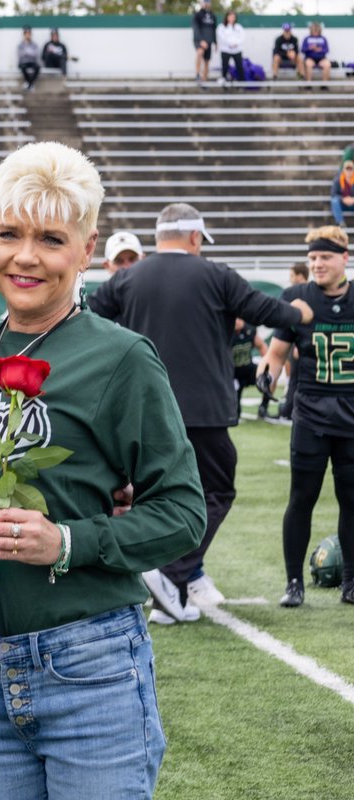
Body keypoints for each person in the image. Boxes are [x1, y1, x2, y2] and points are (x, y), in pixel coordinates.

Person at [0, 140, 205, 800]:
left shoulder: (121, 358)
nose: (26, 257)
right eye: (10, 233)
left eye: (52, 239)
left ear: (86, 251)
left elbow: (183, 510)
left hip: (86, 663)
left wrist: (69, 541)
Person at [88, 203, 313, 623]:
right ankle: (170, 572)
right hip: (203, 410)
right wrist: (302, 310)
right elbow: (269, 313)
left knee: (150, 495)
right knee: (216, 490)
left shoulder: (128, 278)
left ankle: (167, 591)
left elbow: (86, 320)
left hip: (143, 408)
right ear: (195, 237)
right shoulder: (215, 274)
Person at [259, 227, 354, 608]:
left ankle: (350, 581)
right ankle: (294, 582)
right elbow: (278, 352)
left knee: (351, 500)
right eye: (312, 258)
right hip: (312, 414)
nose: (316, 264)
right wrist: (267, 372)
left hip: (351, 416)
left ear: (344, 258)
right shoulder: (297, 297)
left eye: (324, 257)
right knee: (302, 498)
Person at [276, 262, 311, 422]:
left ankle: (289, 410)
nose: (290, 279)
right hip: (303, 343)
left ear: (299, 275)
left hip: (301, 343)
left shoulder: (301, 293)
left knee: (296, 381)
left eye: (292, 275)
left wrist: (298, 344)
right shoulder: (310, 292)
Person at [231, 319, 268, 419]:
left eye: (240, 318)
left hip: (248, 370)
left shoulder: (249, 329)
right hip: (232, 374)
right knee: (235, 413)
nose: (238, 321)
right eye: (235, 318)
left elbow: (262, 346)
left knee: (267, 377)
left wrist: (267, 365)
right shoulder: (226, 332)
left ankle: (263, 407)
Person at [192, 0, 218, 85]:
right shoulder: (198, 15)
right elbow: (196, 28)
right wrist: (201, 40)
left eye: (208, 2)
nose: (207, 4)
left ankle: (204, 80)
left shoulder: (212, 16)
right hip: (200, 40)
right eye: (205, 2)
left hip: (209, 40)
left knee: (207, 61)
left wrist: (215, 42)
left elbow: (214, 29)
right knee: (200, 52)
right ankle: (197, 74)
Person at [217, 10, 245, 85]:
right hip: (225, 50)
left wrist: (236, 43)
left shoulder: (238, 27)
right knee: (225, 66)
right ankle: (224, 82)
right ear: (226, 17)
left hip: (237, 50)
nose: (232, 18)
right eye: (230, 16)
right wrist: (229, 44)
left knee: (239, 66)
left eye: (233, 17)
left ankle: (241, 82)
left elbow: (242, 37)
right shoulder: (221, 27)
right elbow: (221, 37)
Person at [331, 160, 354, 226]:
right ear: (343, 170)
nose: (349, 171)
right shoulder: (338, 179)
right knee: (335, 201)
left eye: (350, 169)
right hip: (342, 204)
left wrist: (352, 199)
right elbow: (333, 193)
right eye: (347, 169)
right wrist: (343, 199)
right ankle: (340, 223)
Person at [18, 26, 40, 91]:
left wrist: (26, 52)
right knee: (23, 67)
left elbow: (35, 55)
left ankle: (28, 83)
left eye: (29, 34)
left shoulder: (34, 44)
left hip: (32, 62)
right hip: (24, 62)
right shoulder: (20, 45)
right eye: (26, 34)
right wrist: (30, 52)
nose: (28, 35)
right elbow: (20, 55)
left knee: (37, 67)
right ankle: (30, 84)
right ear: (24, 35)